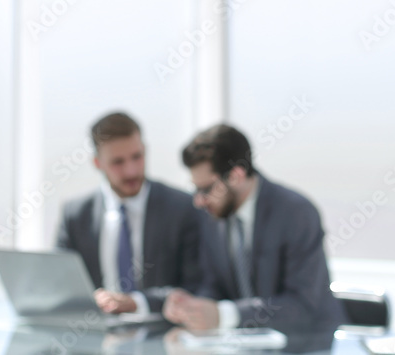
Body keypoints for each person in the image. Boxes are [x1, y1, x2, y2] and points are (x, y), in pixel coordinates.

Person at [162, 123, 345, 331]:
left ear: (236, 176)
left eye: (206, 189)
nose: (199, 201)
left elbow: (302, 306)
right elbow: (214, 285)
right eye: (196, 189)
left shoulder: (296, 213)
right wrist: (194, 305)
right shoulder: (213, 216)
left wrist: (224, 315)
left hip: (307, 344)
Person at [56, 112, 203, 314]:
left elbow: (197, 287)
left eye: (137, 157)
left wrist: (137, 303)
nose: (131, 171)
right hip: (95, 334)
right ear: (98, 163)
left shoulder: (183, 208)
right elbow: (61, 285)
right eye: (118, 162)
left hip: (163, 335)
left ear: (145, 150)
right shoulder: (76, 214)